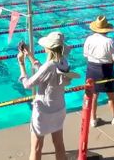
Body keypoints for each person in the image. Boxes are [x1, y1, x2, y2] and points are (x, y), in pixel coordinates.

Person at [17, 32, 79, 160]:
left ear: (49, 48)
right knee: (59, 144)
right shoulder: (63, 62)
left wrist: (21, 64)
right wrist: (29, 56)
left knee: (37, 148)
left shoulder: (49, 66)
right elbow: (45, 72)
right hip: (59, 109)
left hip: (43, 112)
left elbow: (28, 84)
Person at [83, 16, 114, 127]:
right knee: (111, 96)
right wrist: (110, 66)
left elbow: (85, 55)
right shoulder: (110, 41)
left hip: (91, 68)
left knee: (94, 95)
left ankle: (93, 119)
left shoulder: (89, 39)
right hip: (106, 69)